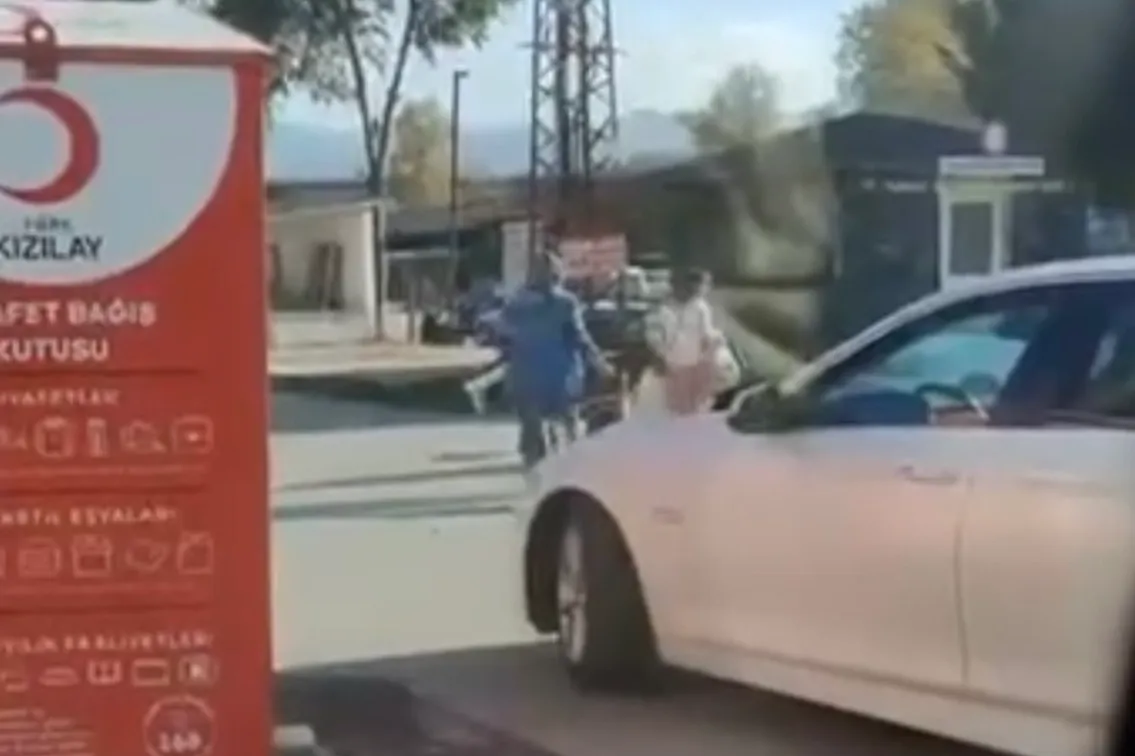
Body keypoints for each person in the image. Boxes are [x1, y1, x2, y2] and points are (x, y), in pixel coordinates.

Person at [495, 253, 611, 470]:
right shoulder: (565, 302)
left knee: (532, 417)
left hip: (528, 372)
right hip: (561, 372)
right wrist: (598, 360)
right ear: (558, 275)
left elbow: (503, 333)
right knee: (567, 416)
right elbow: (579, 336)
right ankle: (572, 457)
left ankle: (533, 455)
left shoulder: (518, 302)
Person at [642, 267, 733, 415]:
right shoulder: (664, 308)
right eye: (703, 284)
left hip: (694, 363)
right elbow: (654, 338)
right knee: (675, 407)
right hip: (673, 365)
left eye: (707, 285)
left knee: (693, 407)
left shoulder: (701, 307)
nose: (705, 288)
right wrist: (659, 358)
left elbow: (706, 334)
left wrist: (715, 342)